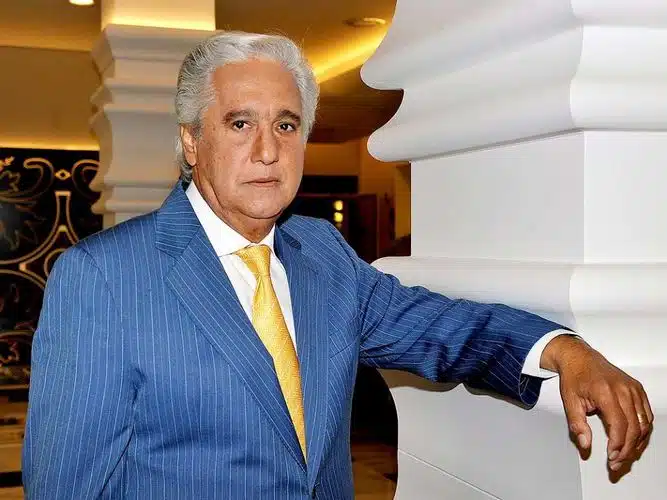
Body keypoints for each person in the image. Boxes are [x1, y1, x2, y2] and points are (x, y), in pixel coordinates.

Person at [22, 31, 653, 499]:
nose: (267, 150)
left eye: (286, 125)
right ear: (191, 141)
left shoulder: (321, 252)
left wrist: (565, 351)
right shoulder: (103, 278)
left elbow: (441, 326)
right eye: (240, 123)